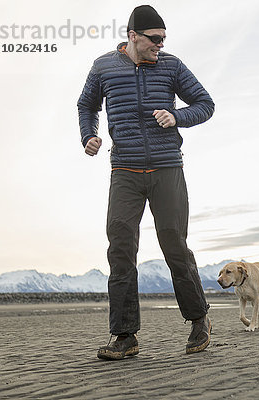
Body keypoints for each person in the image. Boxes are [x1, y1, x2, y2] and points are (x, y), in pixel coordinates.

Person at [77, 5, 215, 359]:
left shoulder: (171, 65)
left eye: (164, 40)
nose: (160, 45)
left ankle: (199, 320)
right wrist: (88, 135)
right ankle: (125, 336)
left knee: (174, 245)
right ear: (133, 36)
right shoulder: (103, 66)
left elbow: (205, 103)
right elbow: (86, 104)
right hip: (124, 169)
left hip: (167, 167)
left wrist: (177, 116)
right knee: (120, 247)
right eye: (154, 39)